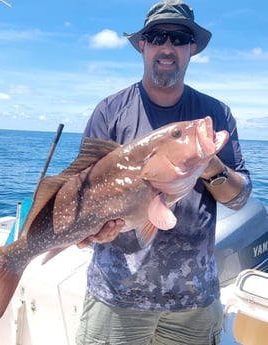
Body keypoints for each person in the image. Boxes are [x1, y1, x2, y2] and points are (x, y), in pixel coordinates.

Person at [75, 1, 252, 344]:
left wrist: (212, 167)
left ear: (192, 49)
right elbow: (81, 192)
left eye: (179, 38)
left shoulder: (214, 114)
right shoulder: (109, 112)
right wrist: (88, 231)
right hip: (115, 299)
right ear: (142, 45)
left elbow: (240, 198)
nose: (167, 47)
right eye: (157, 37)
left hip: (194, 303)